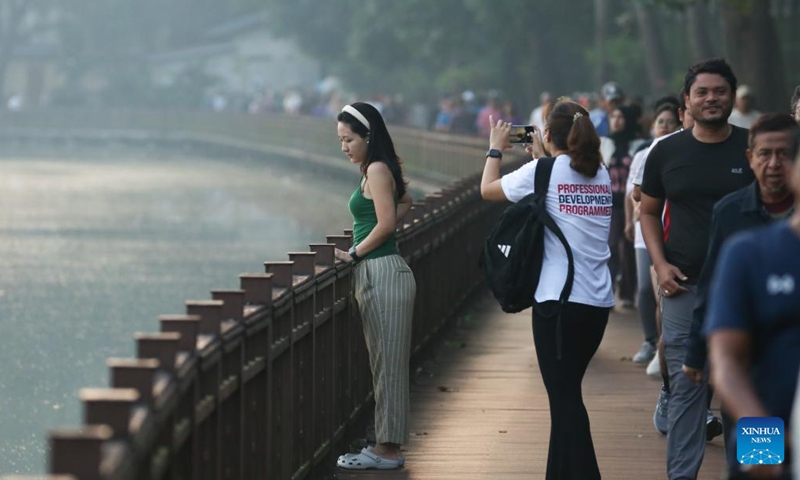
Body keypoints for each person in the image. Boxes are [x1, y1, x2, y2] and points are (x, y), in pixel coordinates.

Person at [480, 100, 614, 480]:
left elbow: (487, 190)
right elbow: (562, 186)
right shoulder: (600, 172)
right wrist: (544, 156)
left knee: (565, 398)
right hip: (596, 303)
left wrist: (495, 147)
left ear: (550, 135)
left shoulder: (545, 170)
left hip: (558, 304)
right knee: (566, 393)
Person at [640, 58, 755, 480]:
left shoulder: (754, 147)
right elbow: (648, 211)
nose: (711, 99)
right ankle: (681, 476)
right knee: (688, 389)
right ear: (687, 100)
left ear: (732, 96)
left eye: (720, 91)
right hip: (684, 286)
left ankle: (759, 473)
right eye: (701, 92)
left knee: (751, 386)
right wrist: (660, 263)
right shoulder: (667, 150)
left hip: (747, 292)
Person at [683, 113, 799, 476]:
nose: (774, 164)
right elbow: (710, 285)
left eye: (785, 154)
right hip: (760, 397)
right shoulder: (736, 223)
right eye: (765, 154)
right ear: (750, 158)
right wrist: (695, 352)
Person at [334, 102, 416, 470]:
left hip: (381, 270)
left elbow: (385, 224)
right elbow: (406, 203)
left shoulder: (378, 170)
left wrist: (355, 252)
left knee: (389, 366)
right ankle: (386, 444)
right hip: (379, 271)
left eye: (349, 139)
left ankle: (388, 450)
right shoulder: (374, 170)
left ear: (368, 136)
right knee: (385, 363)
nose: (344, 147)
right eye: (340, 141)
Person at [626, 103, 681, 364]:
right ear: (652, 126)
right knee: (646, 287)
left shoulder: (681, 150)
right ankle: (650, 341)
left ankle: (666, 344)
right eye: (661, 122)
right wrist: (631, 218)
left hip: (671, 229)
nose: (666, 126)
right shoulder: (643, 154)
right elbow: (632, 192)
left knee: (667, 289)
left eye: (671, 122)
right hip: (644, 229)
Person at [601, 105, 646, 307]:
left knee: (628, 249)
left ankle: (627, 294)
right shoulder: (603, 143)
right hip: (608, 203)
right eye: (614, 116)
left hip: (631, 201)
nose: (617, 120)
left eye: (620, 116)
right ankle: (607, 294)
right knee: (609, 247)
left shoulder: (638, 144)